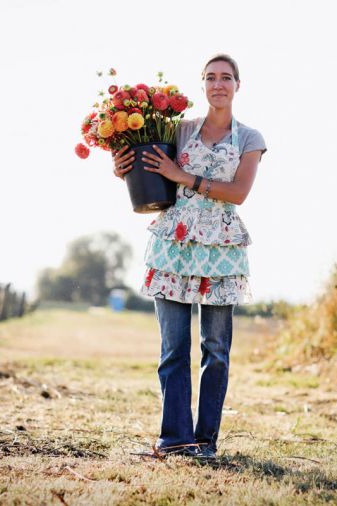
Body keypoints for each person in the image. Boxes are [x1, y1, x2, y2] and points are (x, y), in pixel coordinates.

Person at [112, 54, 266, 459]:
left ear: (238, 84)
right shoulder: (179, 131)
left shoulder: (250, 138)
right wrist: (123, 164)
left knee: (215, 350)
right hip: (173, 247)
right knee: (173, 349)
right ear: (202, 85)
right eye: (211, 78)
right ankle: (176, 439)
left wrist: (184, 178)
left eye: (226, 78)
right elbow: (144, 162)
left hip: (221, 250)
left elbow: (238, 193)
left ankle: (206, 442)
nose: (219, 84)